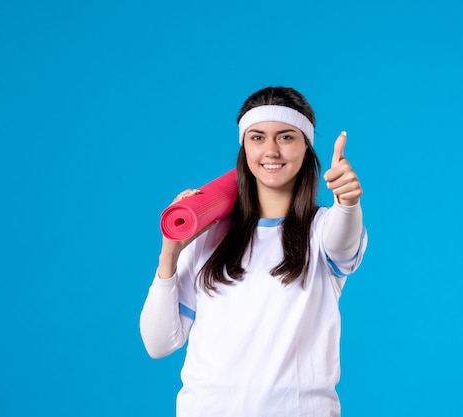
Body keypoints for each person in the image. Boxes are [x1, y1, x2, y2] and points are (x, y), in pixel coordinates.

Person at [139, 86, 367, 417]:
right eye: (257, 137)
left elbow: (344, 237)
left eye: (286, 137)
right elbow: (159, 344)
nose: (271, 150)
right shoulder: (206, 235)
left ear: (307, 147)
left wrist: (348, 202)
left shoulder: (323, 230)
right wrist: (170, 255)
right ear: (243, 146)